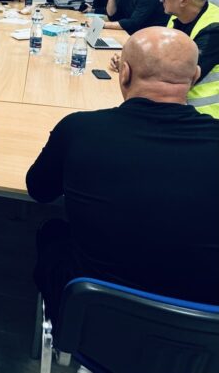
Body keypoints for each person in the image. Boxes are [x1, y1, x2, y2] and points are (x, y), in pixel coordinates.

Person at [27, 26, 219, 325]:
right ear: (194, 76)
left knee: (52, 230)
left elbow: (39, 191)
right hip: (203, 329)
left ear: (124, 73)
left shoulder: (79, 129)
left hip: (92, 318)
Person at [110, 0, 219, 118]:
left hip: (202, 116)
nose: (161, 0)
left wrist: (132, 67)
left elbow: (181, 73)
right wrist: (129, 60)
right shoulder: (177, 17)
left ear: (184, 0)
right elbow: (162, 56)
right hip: (173, 106)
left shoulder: (214, 28)